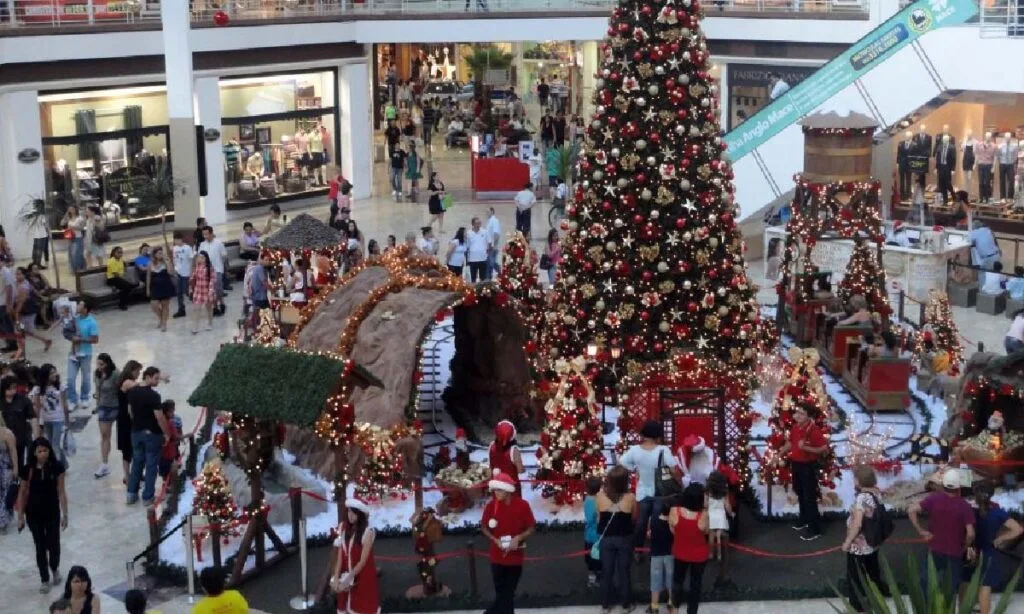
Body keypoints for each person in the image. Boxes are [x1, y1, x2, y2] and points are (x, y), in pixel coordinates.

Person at [907, 469, 976, 601]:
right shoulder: (964, 506)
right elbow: (971, 533)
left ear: (943, 484)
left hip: (935, 549)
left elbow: (911, 510)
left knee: (926, 582)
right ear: (959, 487)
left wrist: (921, 531)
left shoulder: (933, 499)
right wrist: (967, 545)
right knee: (950, 589)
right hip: (955, 552)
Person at [16, 437, 68, 593]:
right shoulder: (27, 469)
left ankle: (54, 567)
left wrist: (65, 514)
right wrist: (20, 517)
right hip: (33, 513)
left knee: (54, 544)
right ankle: (44, 579)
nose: (43, 454)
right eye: (39, 451)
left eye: (45, 450)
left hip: (52, 512)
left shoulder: (57, 467)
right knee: (40, 546)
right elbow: (22, 493)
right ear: (34, 453)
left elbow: (61, 491)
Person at [619, 420, 678, 554]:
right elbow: (673, 470)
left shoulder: (635, 450)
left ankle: (637, 549)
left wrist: (635, 469)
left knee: (641, 522)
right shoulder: (663, 450)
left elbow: (622, 463)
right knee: (657, 523)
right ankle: (657, 549)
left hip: (642, 491)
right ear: (658, 435)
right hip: (660, 491)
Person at [480, 472, 536, 614]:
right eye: (495, 490)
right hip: (496, 558)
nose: (496, 493)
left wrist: (519, 538)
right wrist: (495, 539)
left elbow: (531, 527)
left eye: (499, 490)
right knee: (504, 597)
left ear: (508, 490)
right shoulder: (491, 506)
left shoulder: (522, 506)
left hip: (515, 560)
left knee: (506, 595)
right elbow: (484, 527)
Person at [965, 481, 1023, 614]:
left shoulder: (969, 510)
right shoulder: (997, 512)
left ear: (975, 494)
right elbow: (1018, 529)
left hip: (972, 550)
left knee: (966, 581)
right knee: (985, 586)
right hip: (989, 551)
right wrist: (1000, 538)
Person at [777, 404, 827, 540]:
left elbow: (823, 448)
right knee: (800, 492)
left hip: (808, 466)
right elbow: (791, 444)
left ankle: (815, 529)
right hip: (797, 464)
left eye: (802, 413)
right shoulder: (795, 428)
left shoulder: (814, 431)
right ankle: (804, 519)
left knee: (809, 497)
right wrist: (779, 453)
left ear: (809, 416)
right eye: (797, 412)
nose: (798, 415)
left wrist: (806, 448)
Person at [840, 465, 884, 613]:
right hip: (873, 542)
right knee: (872, 571)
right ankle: (876, 599)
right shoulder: (876, 493)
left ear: (859, 481)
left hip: (860, 544)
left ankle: (857, 607)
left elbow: (857, 524)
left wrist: (847, 541)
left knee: (855, 576)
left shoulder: (862, 498)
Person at [126, 366, 170, 506]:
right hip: (152, 434)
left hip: (136, 432)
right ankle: (148, 497)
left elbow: (130, 411)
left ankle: (131, 494)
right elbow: (159, 417)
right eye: (156, 378)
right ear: (148, 377)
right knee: (151, 465)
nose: (158, 381)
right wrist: (166, 433)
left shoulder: (132, 392)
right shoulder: (154, 396)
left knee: (137, 463)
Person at [596, 465, 636, 613]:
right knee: (624, 571)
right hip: (624, 538)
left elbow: (599, 517)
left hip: (606, 539)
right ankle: (626, 604)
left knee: (607, 571)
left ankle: (606, 604)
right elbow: (634, 518)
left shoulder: (600, 496)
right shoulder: (630, 497)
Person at [332, 496, 380, 614]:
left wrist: (349, 578)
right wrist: (337, 577)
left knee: (361, 607)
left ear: (361, 514)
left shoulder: (367, 533)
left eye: (354, 513)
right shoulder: (343, 528)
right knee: (345, 604)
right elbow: (340, 555)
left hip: (362, 575)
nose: (350, 515)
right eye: (349, 511)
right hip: (345, 573)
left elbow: (363, 561)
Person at [669, 483, 710, 614]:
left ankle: (674, 609)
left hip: (680, 552)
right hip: (699, 555)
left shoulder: (674, 511)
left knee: (677, 582)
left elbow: (673, 530)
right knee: (695, 586)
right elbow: (706, 531)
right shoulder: (703, 516)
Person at [30, 364, 69, 467]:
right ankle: (64, 464)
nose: (54, 374)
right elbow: (37, 408)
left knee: (55, 445)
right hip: (46, 420)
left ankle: (57, 469)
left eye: (54, 372)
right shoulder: (38, 389)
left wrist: (67, 422)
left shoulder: (60, 387)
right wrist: (38, 423)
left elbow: (65, 405)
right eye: (51, 373)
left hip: (58, 419)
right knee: (51, 444)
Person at [66, 301, 99, 412]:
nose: (77, 306)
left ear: (85, 309)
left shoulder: (92, 322)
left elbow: (95, 339)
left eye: (80, 305)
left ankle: (85, 398)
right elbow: (67, 331)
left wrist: (81, 339)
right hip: (73, 353)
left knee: (85, 378)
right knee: (70, 378)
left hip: (85, 354)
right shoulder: (74, 319)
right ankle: (72, 399)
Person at [12, 266, 52, 357]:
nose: (17, 276)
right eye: (16, 274)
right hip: (25, 311)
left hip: (27, 312)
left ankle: (21, 351)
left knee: (20, 331)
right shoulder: (22, 282)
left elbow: (20, 305)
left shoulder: (24, 287)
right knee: (25, 331)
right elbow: (34, 290)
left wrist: (16, 317)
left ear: (24, 275)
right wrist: (41, 297)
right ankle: (45, 341)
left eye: (19, 274)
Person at [92, 353, 119, 479]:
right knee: (104, 435)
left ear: (107, 363)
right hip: (103, 406)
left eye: (101, 364)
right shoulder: (97, 374)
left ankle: (104, 463)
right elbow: (97, 390)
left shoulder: (115, 374)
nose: (99, 367)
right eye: (98, 364)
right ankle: (104, 463)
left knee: (106, 435)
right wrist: (97, 405)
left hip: (114, 406)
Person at [0, 375, 37, 469]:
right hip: (4, 439)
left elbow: (32, 417)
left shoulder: (23, 400)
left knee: (22, 462)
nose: (12, 391)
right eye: (9, 388)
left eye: (14, 388)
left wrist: (36, 435)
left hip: (22, 437)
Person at [116, 361, 142, 486]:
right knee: (127, 449)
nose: (139, 374)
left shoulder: (125, 381)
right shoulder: (127, 382)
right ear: (132, 370)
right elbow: (139, 387)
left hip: (127, 419)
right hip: (126, 420)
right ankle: (127, 476)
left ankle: (134, 473)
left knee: (133, 448)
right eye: (138, 371)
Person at [649, 499, 675, 614]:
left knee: (655, 580)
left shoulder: (653, 520)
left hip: (656, 554)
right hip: (670, 554)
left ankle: (654, 606)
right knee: (671, 579)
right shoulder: (673, 524)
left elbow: (649, 533)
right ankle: (671, 602)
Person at [198, 227, 228, 316]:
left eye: (207, 234)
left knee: (218, 289)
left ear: (211, 233)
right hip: (207, 271)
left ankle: (222, 303)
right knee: (212, 290)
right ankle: (215, 307)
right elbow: (200, 257)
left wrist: (222, 266)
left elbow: (224, 256)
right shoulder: (202, 245)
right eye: (204, 234)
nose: (205, 236)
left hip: (217, 269)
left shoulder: (218, 243)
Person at [488, 420, 524, 494]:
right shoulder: (514, 450)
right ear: (513, 434)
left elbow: (490, 466)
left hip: (496, 487)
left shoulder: (491, 446)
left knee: (498, 504)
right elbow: (520, 470)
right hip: (511, 488)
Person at [705, 471, 733, 562]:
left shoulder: (707, 491)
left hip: (711, 514)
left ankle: (711, 553)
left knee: (711, 535)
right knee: (719, 535)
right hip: (721, 515)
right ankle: (720, 554)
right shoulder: (724, 492)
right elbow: (727, 505)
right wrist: (731, 512)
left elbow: (705, 505)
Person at [146, 246, 176, 332]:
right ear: (154, 255)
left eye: (161, 253)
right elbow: (148, 276)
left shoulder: (166, 262)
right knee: (154, 305)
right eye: (159, 253)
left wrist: (167, 263)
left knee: (165, 305)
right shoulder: (150, 264)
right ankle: (161, 318)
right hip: (155, 287)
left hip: (165, 286)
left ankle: (164, 323)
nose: (161, 254)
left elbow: (171, 272)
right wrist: (147, 289)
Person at [189, 252, 217, 334]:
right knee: (196, 308)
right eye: (199, 257)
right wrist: (190, 287)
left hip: (207, 290)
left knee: (209, 308)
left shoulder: (209, 268)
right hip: (198, 290)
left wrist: (211, 290)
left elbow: (213, 279)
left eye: (201, 257)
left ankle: (210, 323)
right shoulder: (197, 267)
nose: (199, 259)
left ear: (205, 258)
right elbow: (192, 278)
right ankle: (195, 327)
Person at [583, 476, 602, 588]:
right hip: (595, 535)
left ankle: (594, 575)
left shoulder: (588, 500)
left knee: (592, 558)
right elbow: (591, 519)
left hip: (590, 535)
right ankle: (594, 577)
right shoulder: (596, 502)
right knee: (594, 558)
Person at [158, 400, 182, 487]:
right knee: (169, 471)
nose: (173, 413)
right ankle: (169, 486)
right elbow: (176, 436)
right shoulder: (170, 424)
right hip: (169, 453)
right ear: (167, 412)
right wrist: (185, 436)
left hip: (161, 453)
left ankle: (166, 484)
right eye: (172, 411)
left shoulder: (160, 423)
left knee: (164, 472)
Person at [106, 247, 138, 311]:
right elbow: (116, 274)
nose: (120, 254)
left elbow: (123, 269)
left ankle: (124, 298)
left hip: (120, 278)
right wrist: (127, 279)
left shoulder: (120, 259)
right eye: (118, 252)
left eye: (121, 252)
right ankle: (122, 304)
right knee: (127, 287)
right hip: (113, 278)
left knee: (135, 284)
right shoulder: (111, 261)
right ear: (114, 253)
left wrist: (125, 264)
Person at [171, 233, 194, 319]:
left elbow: (191, 260)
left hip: (186, 272)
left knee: (187, 291)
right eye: (174, 240)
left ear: (181, 239)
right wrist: (174, 270)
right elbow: (174, 260)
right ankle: (181, 309)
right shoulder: (174, 248)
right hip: (178, 273)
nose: (176, 242)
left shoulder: (187, 248)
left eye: (177, 240)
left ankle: (197, 300)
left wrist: (191, 272)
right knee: (179, 292)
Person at [0, 418, 16, 533]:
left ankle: (3, 522)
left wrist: (16, 468)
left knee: (6, 494)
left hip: (6, 468)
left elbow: (13, 451)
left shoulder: (7, 434)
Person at [61, 206, 86, 273]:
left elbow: (82, 228)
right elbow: (62, 223)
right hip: (70, 238)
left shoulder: (80, 218)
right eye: (69, 209)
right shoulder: (69, 218)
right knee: (71, 254)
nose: (71, 210)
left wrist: (72, 227)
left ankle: (79, 268)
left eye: (72, 209)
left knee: (76, 254)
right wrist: (65, 216)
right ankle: (74, 269)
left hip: (78, 238)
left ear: (75, 210)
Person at [466, 217, 491, 283]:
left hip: (483, 258)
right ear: (473, 224)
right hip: (472, 259)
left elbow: (489, 242)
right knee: (473, 278)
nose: (478, 225)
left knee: (483, 278)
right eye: (477, 223)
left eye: (479, 223)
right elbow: (467, 246)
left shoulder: (485, 232)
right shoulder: (468, 233)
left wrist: (488, 253)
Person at [485, 207, 502, 280]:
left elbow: (496, 234)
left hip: (493, 246)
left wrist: (493, 245)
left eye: (488, 212)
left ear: (492, 212)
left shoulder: (494, 221)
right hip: (489, 246)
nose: (486, 213)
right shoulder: (489, 221)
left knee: (491, 262)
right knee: (488, 263)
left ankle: (500, 270)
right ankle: (488, 278)